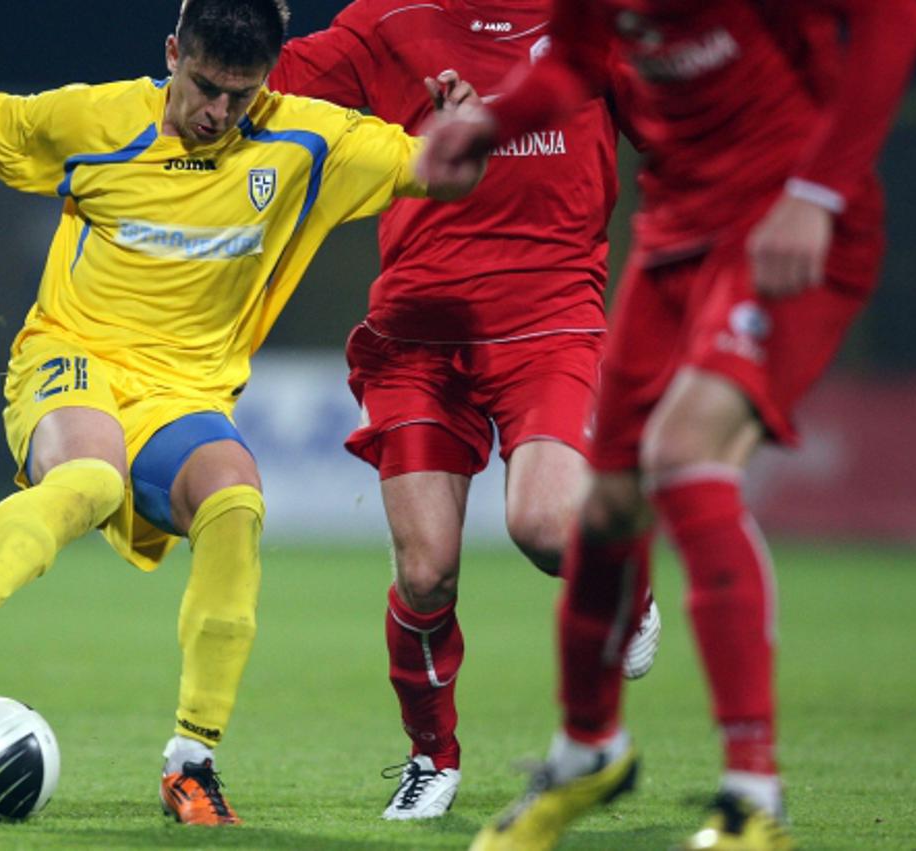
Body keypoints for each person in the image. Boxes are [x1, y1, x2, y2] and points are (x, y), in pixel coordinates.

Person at [0, 0, 485, 827]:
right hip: (71, 360)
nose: (218, 113)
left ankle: (191, 766)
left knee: (236, 502)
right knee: (91, 476)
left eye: (241, 95)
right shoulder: (95, 120)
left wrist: (465, 130)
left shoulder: (311, 140)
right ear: (171, 53)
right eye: (204, 87)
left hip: (184, 393)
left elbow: (442, 173)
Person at [420, 0, 916, 848]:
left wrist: (816, 190)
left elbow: (898, 21)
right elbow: (576, 62)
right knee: (608, 505)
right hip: (676, 238)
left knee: (685, 457)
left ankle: (752, 797)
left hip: (784, 226)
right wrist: (491, 122)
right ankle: (589, 750)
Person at [267, 0, 663, 822]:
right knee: (424, 571)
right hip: (417, 331)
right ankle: (430, 758)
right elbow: (259, 83)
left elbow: (677, 129)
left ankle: (631, 578)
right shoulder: (388, 19)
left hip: (550, 316)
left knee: (549, 527)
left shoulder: (593, 19)